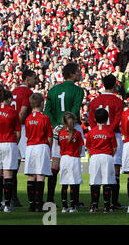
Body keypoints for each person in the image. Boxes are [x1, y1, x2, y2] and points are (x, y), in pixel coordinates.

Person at [44, 62, 85, 204]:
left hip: (57, 129)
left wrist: (57, 126)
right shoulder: (79, 91)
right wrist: (68, 125)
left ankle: (50, 198)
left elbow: (47, 111)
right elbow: (74, 110)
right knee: (74, 161)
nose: (80, 73)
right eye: (78, 71)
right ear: (72, 74)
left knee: (55, 163)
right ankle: (75, 200)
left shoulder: (53, 90)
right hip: (73, 128)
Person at [88, 74, 125, 210]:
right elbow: (118, 119)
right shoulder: (119, 101)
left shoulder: (95, 101)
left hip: (98, 134)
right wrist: (108, 130)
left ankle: (96, 203)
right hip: (113, 135)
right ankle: (113, 202)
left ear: (102, 84)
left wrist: (98, 130)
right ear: (115, 85)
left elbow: (91, 119)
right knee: (114, 170)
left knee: (97, 171)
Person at [0, 87, 21, 212]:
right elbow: (18, 132)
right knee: (8, 175)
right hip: (9, 143)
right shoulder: (12, 111)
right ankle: (7, 205)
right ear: (9, 99)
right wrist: (14, 143)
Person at [10, 69, 37, 207]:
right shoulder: (27, 93)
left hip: (12, 129)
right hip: (22, 129)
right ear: (27, 79)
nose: (36, 80)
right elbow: (23, 111)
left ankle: (12, 197)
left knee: (14, 164)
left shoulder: (13, 91)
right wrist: (17, 127)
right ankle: (34, 199)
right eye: (33, 78)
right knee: (31, 162)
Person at [24, 93, 53, 212]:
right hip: (41, 147)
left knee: (31, 176)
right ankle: (39, 204)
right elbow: (49, 136)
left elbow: (27, 135)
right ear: (42, 104)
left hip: (30, 147)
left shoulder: (28, 118)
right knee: (40, 176)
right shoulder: (45, 118)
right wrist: (49, 149)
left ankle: (32, 204)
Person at [86, 108, 117, 213]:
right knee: (107, 182)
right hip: (107, 157)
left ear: (94, 119)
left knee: (95, 181)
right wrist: (109, 155)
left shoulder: (91, 132)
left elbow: (88, 148)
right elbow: (114, 148)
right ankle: (106, 207)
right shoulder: (110, 131)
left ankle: (94, 206)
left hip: (95, 157)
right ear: (107, 119)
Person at [57, 112, 84, 213]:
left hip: (64, 159)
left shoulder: (61, 133)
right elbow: (80, 148)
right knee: (73, 183)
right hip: (74, 158)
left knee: (64, 183)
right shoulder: (77, 133)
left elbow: (60, 145)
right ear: (75, 121)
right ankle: (72, 206)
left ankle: (64, 206)